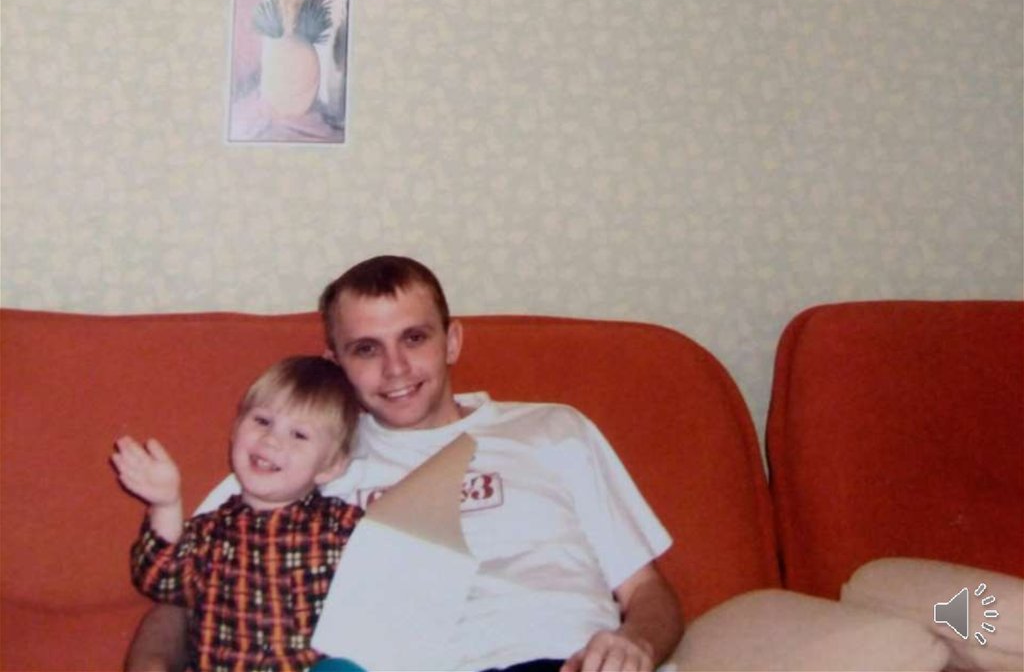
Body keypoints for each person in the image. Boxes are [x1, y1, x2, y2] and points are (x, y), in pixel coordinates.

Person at [126, 256, 683, 672]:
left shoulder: (554, 430)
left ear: (452, 341)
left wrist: (636, 643)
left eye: (414, 338)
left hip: (563, 659)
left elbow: (646, 592)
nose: (395, 369)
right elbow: (186, 595)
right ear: (336, 363)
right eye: (367, 348)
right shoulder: (302, 453)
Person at [113, 356, 364, 672]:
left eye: (299, 435)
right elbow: (159, 582)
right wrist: (166, 504)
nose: (271, 440)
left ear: (331, 466)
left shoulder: (346, 527)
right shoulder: (208, 532)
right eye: (262, 421)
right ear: (235, 429)